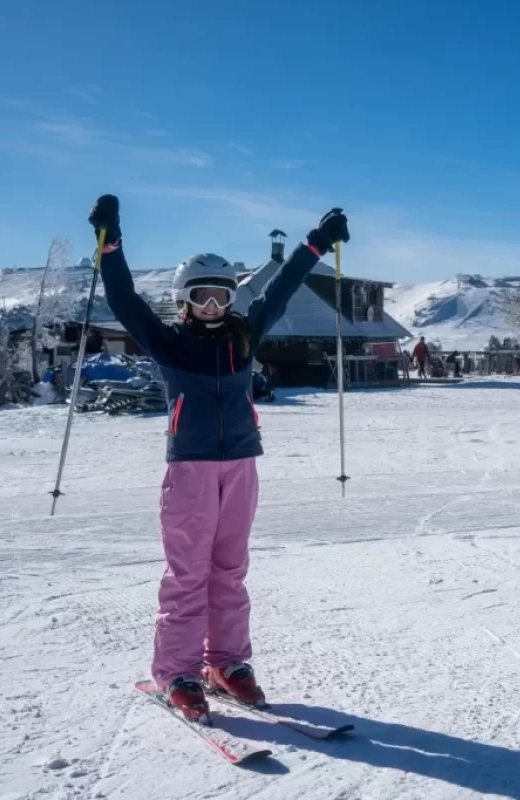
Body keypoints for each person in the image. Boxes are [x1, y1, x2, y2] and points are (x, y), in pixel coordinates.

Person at [88, 194, 349, 721]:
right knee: (188, 575)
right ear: (184, 300)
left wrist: (316, 243)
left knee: (230, 569)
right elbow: (122, 300)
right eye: (202, 298)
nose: (214, 307)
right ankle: (179, 673)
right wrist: (110, 243)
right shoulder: (169, 342)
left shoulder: (244, 337)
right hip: (191, 468)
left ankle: (227, 664)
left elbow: (280, 288)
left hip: (242, 464)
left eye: (222, 297)